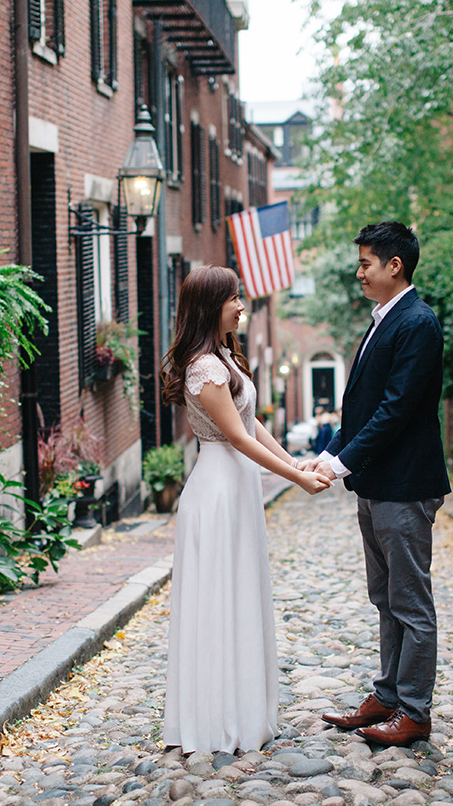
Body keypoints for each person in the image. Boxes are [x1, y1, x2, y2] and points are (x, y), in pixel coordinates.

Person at [160, 265, 332, 754]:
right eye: (234, 298)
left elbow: (253, 426)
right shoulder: (204, 366)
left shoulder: (224, 358)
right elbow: (234, 436)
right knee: (217, 599)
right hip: (216, 491)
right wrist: (295, 478)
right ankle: (215, 721)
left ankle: (242, 709)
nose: (242, 306)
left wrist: (292, 461)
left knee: (239, 593)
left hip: (237, 488)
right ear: (210, 306)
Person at [301, 221, 451, 747]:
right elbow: (361, 410)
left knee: (411, 603)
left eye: (366, 263)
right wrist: (327, 456)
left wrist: (338, 466)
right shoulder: (384, 319)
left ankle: (414, 711)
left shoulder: (418, 323)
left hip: (405, 485)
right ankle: (387, 697)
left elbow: (394, 412)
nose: (359, 271)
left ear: (395, 266)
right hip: (378, 485)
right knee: (386, 597)